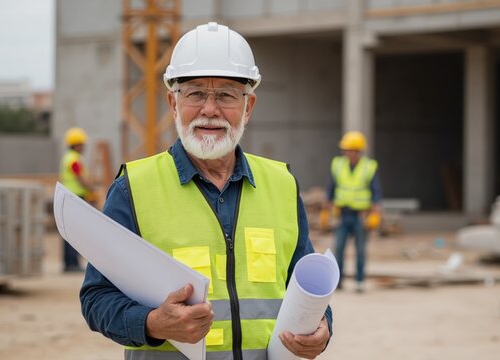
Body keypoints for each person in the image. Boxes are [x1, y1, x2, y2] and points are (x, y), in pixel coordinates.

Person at [80, 22, 332, 360]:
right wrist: (153, 323)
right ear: (173, 102)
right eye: (196, 93)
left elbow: (305, 287)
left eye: (226, 95)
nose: (210, 110)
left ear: (249, 106)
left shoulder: (282, 183)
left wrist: (323, 328)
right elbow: (96, 298)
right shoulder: (134, 188)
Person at [325, 131, 382, 293]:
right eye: (346, 149)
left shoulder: (369, 167)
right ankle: (339, 281)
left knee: (361, 250)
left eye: (351, 149)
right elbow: (332, 188)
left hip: (360, 215)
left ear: (359, 151)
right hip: (342, 214)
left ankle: (359, 281)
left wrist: (375, 213)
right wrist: (326, 209)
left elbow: (376, 192)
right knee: (339, 249)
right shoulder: (338, 164)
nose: (347, 153)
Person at [59, 127, 94, 272]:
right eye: (82, 144)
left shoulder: (68, 157)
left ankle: (69, 263)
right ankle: (71, 264)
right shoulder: (74, 160)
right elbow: (80, 178)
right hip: (75, 197)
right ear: (77, 144)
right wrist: (92, 190)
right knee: (74, 231)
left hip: (70, 197)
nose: (84, 147)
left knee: (69, 230)